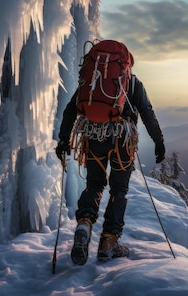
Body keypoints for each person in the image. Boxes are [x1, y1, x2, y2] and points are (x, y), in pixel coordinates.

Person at [55, 74, 165, 265]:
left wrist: (64, 139)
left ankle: (84, 224)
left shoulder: (93, 79)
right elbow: (147, 111)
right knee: (118, 189)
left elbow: (71, 109)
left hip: (93, 135)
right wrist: (159, 141)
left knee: (94, 184)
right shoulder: (132, 82)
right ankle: (109, 241)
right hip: (123, 138)